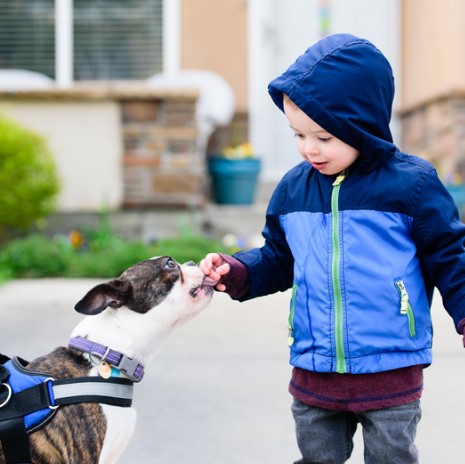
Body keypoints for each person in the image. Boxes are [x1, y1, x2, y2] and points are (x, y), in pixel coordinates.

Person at [200, 33, 465, 464]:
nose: (309, 148)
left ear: (361, 123)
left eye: (323, 136)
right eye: (298, 135)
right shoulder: (292, 189)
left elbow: (451, 255)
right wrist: (239, 271)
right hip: (314, 369)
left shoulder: (411, 186)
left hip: (390, 367)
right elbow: (277, 259)